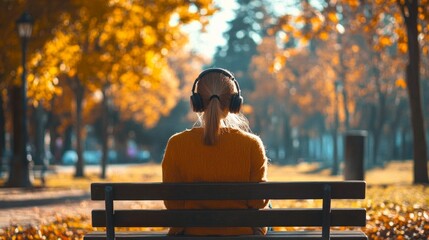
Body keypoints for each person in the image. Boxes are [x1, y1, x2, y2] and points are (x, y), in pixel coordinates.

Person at [162, 68, 269, 236]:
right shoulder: (252, 144)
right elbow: (258, 201)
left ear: (196, 103)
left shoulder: (176, 144)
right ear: (235, 103)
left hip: (191, 234)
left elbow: (172, 202)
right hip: (241, 234)